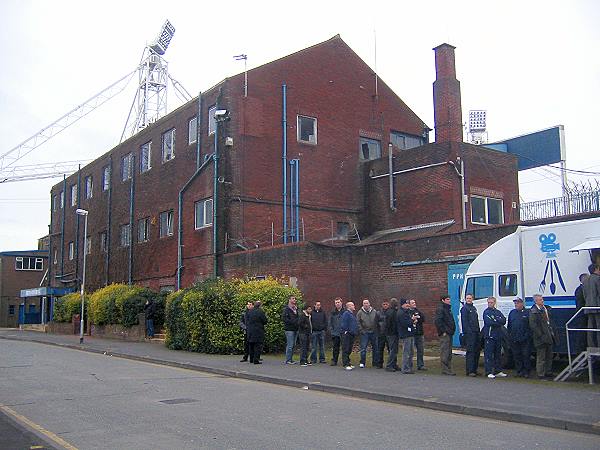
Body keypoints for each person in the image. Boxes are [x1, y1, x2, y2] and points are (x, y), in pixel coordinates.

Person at [529, 294, 556, 379]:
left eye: (542, 299)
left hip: (549, 335)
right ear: (536, 301)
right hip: (540, 338)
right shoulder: (533, 311)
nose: (542, 301)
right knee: (541, 356)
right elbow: (533, 325)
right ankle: (540, 373)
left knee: (549, 355)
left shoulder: (545, 309)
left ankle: (548, 371)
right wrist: (541, 335)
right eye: (540, 300)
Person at [482, 296, 507, 379]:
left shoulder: (498, 312)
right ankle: (488, 371)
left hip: (498, 336)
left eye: (491, 302)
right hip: (489, 336)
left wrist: (496, 320)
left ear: (495, 303)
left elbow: (503, 320)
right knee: (489, 355)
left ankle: (498, 371)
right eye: (488, 302)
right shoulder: (486, 312)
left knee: (498, 354)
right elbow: (489, 322)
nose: (490, 304)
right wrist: (497, 321)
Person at [507, 297, 532, 378]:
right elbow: (509, 326)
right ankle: (519, 371)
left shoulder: (527, 312)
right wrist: (510, 336)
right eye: (515, 303)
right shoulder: (512, 313)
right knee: (517, 356)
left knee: (526, 355)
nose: (516, 304)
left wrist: (527, 336)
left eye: (517, 303)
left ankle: (526, 372)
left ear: (522, 303)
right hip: (515, 339)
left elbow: (530, 326)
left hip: (525, 339)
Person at [434, 294, 456, 375]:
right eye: (447, 299)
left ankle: (448, 368)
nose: (449, 300)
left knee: (449, 351)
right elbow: (438, 321)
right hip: (445, 334)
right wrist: (443, 331)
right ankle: (445, 369)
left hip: (450, 333)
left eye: (449, 299)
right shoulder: (441, 309)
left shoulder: (448, 309)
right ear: (443, 300)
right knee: (445, 351)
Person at [460, 294, 481, 376]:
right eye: (467, 298)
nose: (468, 300)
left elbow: (476, 321)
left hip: (476, 333)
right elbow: (464, 322)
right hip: (470, 334)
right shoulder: (464, 309)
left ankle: (475, 370)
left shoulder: (474, 308)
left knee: (476, 351)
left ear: (473, 299)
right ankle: (470, 371)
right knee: (470, 352)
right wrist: (468, 332)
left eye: (470, 298)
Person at [356, 298, 379, 368]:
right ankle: (362, 362)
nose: (366, 305)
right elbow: (358, 322)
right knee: (363, 348)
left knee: (375, 348)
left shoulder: (374, 311)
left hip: (373, 332)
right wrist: (361, 330)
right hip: (364, 332)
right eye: (364, 303)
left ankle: (375, 363)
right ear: (363, 305)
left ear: (369, 304)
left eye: (367, 303)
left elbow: (377, 321)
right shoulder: (360, 312)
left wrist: (376, 329)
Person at [583, 263, 600, 348]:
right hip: (597, 307)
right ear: (596, 269)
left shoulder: (585, 280)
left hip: (588, 306)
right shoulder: (598, 279)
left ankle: (591, 345)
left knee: (590, 328)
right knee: (598, 328)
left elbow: (584, 294)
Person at [397, 299, 416, 374]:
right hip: (405, 334)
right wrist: (412, 320)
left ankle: (409, 367)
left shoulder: (406, 312)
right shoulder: (401, 313)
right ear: (402, 304)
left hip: (410, 333)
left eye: (408, 303)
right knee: (407, 352)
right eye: (406, 304)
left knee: (411, 351)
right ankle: (405, 368)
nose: (408, 305)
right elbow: (405, 323)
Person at [409, 299, 427, 371]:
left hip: (419, 333)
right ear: (409, 304)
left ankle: (420, 365)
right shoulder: (408, 312)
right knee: (411, 350)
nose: (414, 304)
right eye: (412, 303)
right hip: (412, 334)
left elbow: (423, 319)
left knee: (420, 350)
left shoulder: (418, 311)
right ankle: (409, 365)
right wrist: (412, 320)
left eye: (414, 302)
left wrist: (418, 318)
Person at [341, 301, 358, 370]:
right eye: (352, 305)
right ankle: (345, 364)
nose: (354, 306)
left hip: (352, 334)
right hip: (347, 334)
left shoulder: (352, 314)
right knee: (346, 348)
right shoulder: (346, 314)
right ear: (349, 307)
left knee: (349, 349)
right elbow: (344, 323)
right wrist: (346, 331)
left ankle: (348, 362)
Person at [573, 273, 588, 353]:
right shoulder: (580, 290)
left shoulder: (579, 289)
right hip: (582, 316)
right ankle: (581, 352)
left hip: (581, 315)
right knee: (582, 336)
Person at [282, 296, 299, 365]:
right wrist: (293, 322)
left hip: (295, 329)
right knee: (290, 345)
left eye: (295, 298)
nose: (294, 300)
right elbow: (285, 319)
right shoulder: (286, 309)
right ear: (289, 300)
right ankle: (288, 359)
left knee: (293, 345)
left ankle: (291, 359)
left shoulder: (296, 309)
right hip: (289, 329)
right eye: (293, 298)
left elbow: (298, 317)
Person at [383, 298, 399, 372]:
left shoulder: (389, 312)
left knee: (394, 350)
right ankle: (389, 365)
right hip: (392, 333)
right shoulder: (393, 312)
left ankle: (394, 364)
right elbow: (390, 324)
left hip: (390, 333)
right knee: (393, 350)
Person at [329, 297, 344, 366]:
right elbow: (330, 322)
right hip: (335, 333)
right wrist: (332, 331)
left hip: (343, 333)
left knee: (345, 348)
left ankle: (345, 361)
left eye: (338, 302)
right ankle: (334, 360)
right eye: (336, 303)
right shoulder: (333, 312)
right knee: (335, 347)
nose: (337, 304)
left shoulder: (345, 311)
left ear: (341, 303)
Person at [375, 300, 390, 369]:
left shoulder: (390, 313)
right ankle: (379, 363)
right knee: (380, 349)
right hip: (381, 334)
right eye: (384, 304)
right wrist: (378, 332)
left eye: (386, 304)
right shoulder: (378, 313)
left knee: (390, 349)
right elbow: (376, 323)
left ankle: (391, 363)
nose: (385, 305)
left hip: (389, 334)